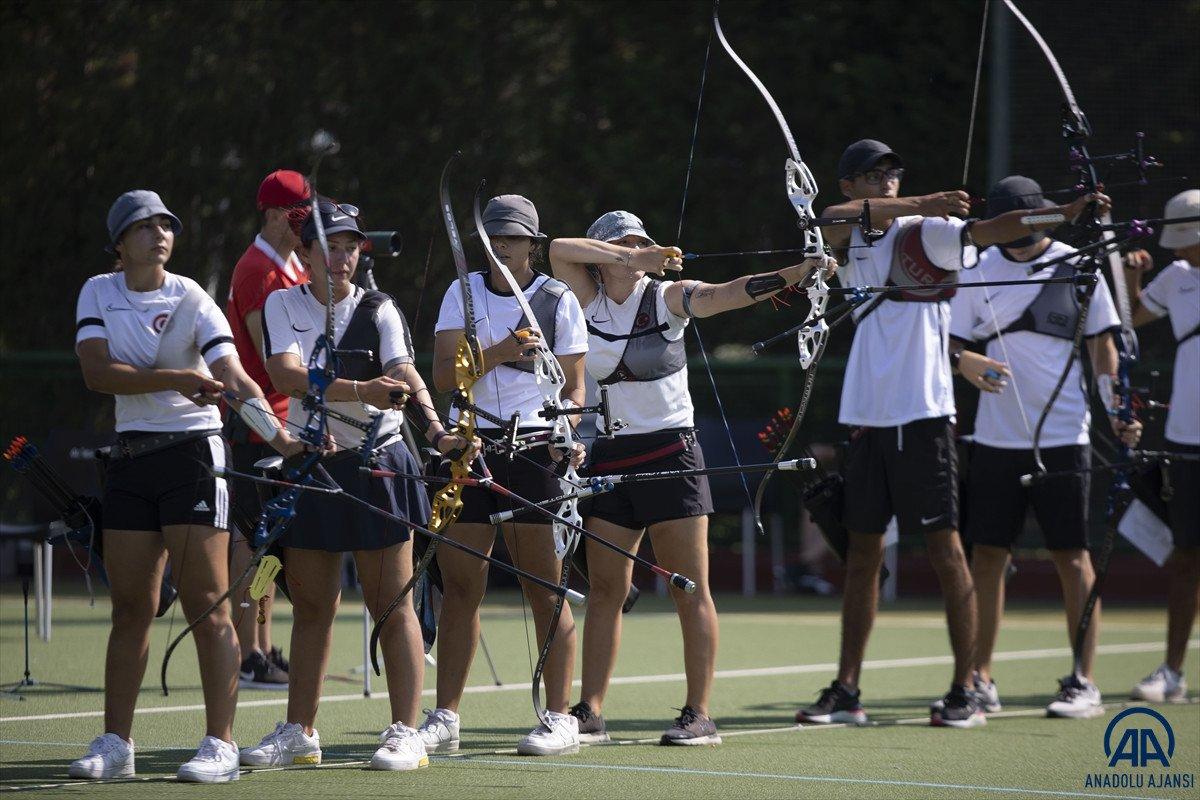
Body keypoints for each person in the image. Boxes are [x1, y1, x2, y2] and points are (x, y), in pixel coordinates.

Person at [800, 139, 1111, 729]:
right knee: (863, 554)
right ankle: (846, 691)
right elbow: (830, 220)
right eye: (874, 175)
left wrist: (1061, 216)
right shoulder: (849, 231)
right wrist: (924, 200)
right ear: (850, 184)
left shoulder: (931, 232)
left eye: (893, 172)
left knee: (946, 551)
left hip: (924, 415)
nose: (887, 181)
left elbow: (999, 228)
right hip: (866, 416)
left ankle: (966, 687)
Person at [547, 211, 832, 745]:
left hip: (671, 453)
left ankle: (699, 713)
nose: (637, 250)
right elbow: (559, 249)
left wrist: (796, 274)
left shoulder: (667, 296)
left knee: (689, 587)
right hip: (610, 455)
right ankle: (591, 711)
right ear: (603, 256)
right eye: (623, 245)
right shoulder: (585, 301)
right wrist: (632, 255)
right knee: (607, 589)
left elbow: (728, 293)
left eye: (642, 242)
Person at [71, 190, 308, 783]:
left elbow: (234, 376)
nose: (159, 234)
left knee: (207, 604)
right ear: (119, 243)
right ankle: (116, 745)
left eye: (166, 225)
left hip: (194, 458)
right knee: (132, 608)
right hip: (130, 460)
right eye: (144, 226)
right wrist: (177, 377)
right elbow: (97, 372)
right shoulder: (98, 291)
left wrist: (282, 440)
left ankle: (220, 745)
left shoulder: (193, 297)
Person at [239, 199, 477, 771]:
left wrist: (438, 431)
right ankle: (300, 732)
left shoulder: (380, 307)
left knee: (391, 604)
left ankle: (405, 733)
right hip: (315, 467)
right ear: (306, 253)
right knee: (312, 606)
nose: (343, 257)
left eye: (351, 247)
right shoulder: (282, 303)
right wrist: (362, 390)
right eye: (331, 247)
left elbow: (404, 373)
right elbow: (285, 375)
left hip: (381, 467)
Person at [949, 176, 1141, 719]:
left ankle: (1083, 680)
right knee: (988, 556)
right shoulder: (976, 267)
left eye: (1027, 230)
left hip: (1063, 437)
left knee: (1072, 557)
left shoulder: (1076, 264)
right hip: (995, 438)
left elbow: (1102, 347)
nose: (1019, 242)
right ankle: (980, 677)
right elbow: (949, 340)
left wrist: (1118, 409)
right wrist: (964, 360)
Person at [418, 194, 589, 756]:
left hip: (534, 450)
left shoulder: (557, 299)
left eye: (513, 238)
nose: (501, 247)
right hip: (470, 447)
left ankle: (559, 717)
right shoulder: (462, 292)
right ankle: (446, 716)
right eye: (494, 237)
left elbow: (575, 390)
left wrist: (567, 434)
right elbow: (444, 377)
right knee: (460, 586)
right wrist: (500, 351)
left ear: (532, 245)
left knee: (544, 586)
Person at [224, 168, 311, 690]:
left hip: (288, 421)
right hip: (260, 424)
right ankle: (246, 652)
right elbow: (271, 353)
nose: (308, 225)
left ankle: (261, 644)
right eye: (300, 215)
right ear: (277, 215)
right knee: (252, 541)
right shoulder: (257, 268)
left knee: (272, 543)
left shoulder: (293, 262)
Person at [1124, 189, 1200, 704]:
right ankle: (1172, 673)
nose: (1181, 249)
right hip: (1186, 439)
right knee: (1187, 557)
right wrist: (1132, 275)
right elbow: (1131, 318)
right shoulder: (1175, 277)